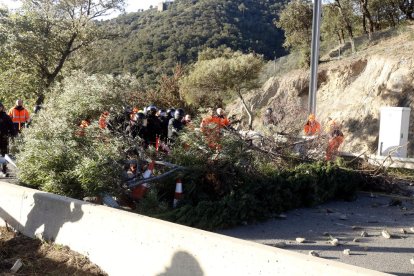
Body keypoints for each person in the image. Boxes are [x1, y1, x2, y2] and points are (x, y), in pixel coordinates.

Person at [0, 102, 16, 176]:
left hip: (4, 138)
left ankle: (4, 170)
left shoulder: (6, 117)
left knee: (4, 154)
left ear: (2, 108)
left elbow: (11, 126)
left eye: (0, 107)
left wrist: (13, 134)